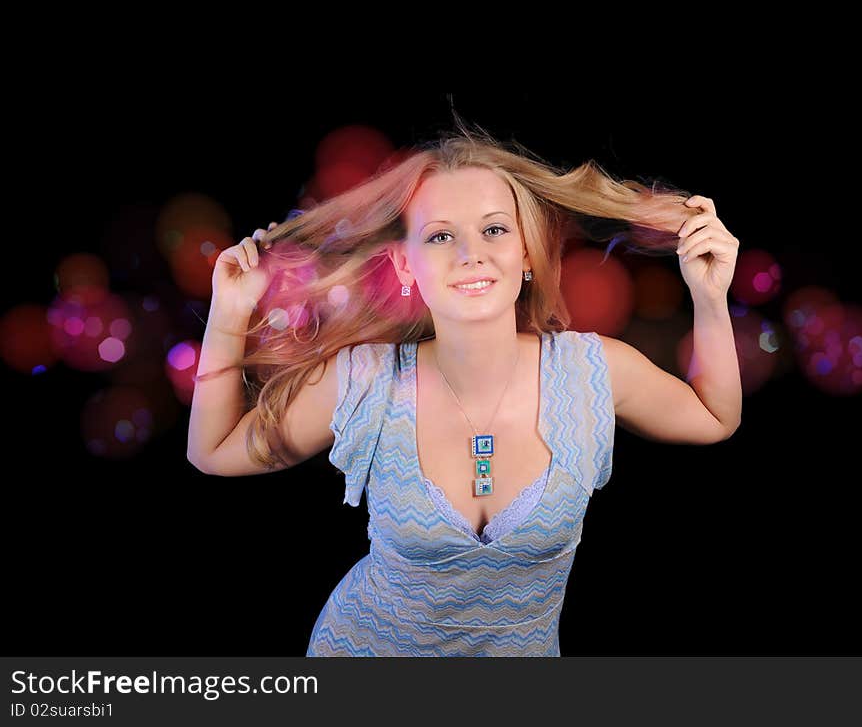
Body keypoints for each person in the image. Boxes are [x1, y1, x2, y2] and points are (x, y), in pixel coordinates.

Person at [186, 122, 742, 656]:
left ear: (527, 250)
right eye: (440, 235)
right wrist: (229, 311)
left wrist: (709, 295)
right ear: (405, 264)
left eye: (494, 229)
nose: (470, 252)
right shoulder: (366, 382)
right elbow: (212, 453)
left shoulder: (592, 371)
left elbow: (715, 417)